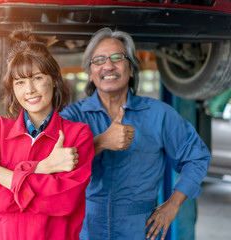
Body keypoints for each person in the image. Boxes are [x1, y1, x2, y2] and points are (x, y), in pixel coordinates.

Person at [60, 27, 211, 240]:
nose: (108, 65)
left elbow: (197, 157)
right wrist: (100, 142)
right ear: (91, 74)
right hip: (85, 227)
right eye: (99, 60)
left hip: (140, 229)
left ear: (131, 70)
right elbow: (54, 164)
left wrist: (172, 205)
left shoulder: (159, 115)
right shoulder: (72, 116)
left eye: (117, 57)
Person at [0, 25, 94, 240]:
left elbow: (64, 201)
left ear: (54, 81)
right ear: (13, 89)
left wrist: (1, 175)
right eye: (20, 82)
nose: (29, 90)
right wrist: (44, 168)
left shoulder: (77, 136)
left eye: (37, 78)